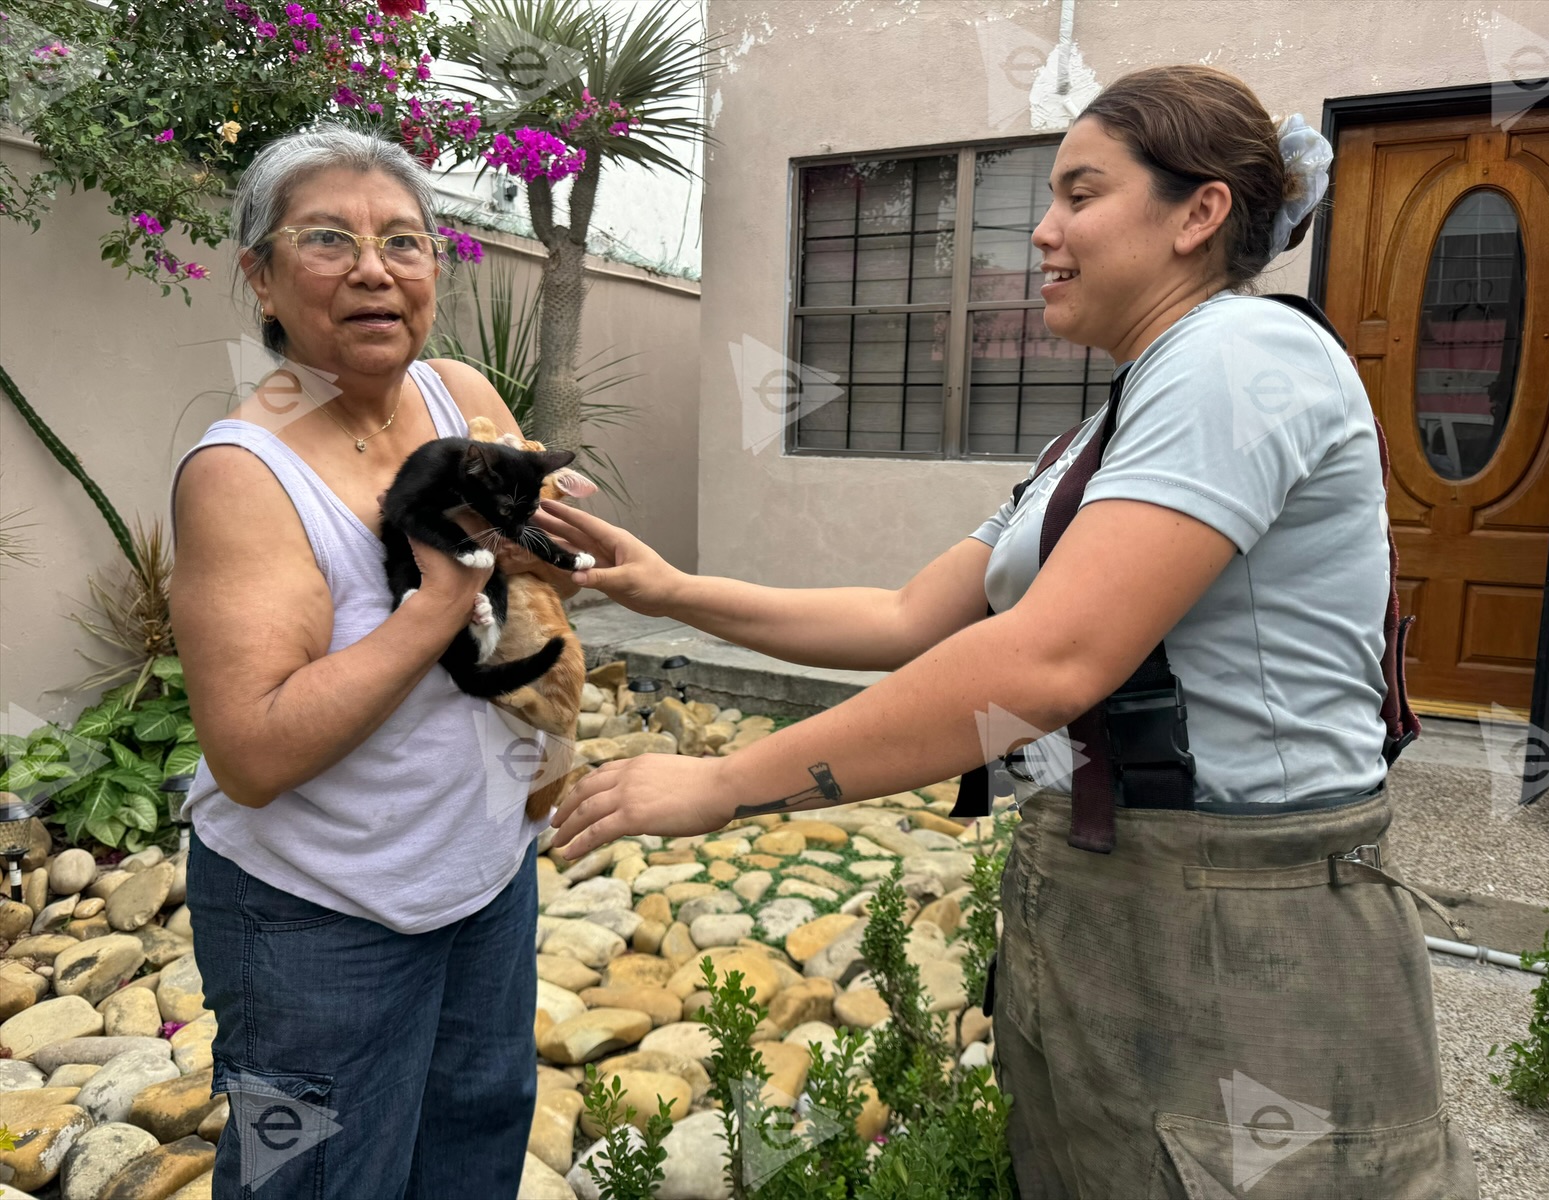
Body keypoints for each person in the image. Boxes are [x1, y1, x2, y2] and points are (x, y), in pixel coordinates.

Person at [535, 66, 1479, 1199]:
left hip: (1243, 916)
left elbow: (1047, 661)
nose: (1040, 231)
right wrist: (669, 589)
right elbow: (906, 619)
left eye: (1079, 194)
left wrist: (728, 781)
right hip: (1108, 892)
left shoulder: (1242, 360)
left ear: (1199, 213)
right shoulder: (1106, 431)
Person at [168, 124, 573, 1199]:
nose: (373, 270)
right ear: (260, 275)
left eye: (404, 240)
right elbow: (253, 753)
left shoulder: (462, 395)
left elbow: (535, 581)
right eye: (327, 241)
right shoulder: (240, 475)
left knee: (473, 1153)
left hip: (483, 880)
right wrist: (443, 598)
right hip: (311, 921)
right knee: (309, 1182)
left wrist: (553, 561)